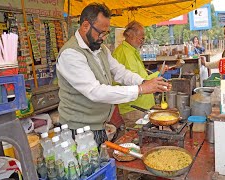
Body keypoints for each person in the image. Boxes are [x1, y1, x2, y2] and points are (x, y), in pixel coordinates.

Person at [56, 3, 171, 145]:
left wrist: (143, 82)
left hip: (99, 126)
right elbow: (95, 92)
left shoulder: (101, 49)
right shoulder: (71, 54)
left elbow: (120, 72)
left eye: (106, 33)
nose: (103, 37)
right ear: (85, 26)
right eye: (101, 32)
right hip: (78, 130)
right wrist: (141, 89)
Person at [112, 21, 166, 128]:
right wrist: (158, 74)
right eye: (141, 38)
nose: (142, 41)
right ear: (131, 36)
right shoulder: (125, 53)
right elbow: (135, 83)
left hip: (141, 107)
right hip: (134, 108)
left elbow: (139, 79)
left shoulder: (131, 51)